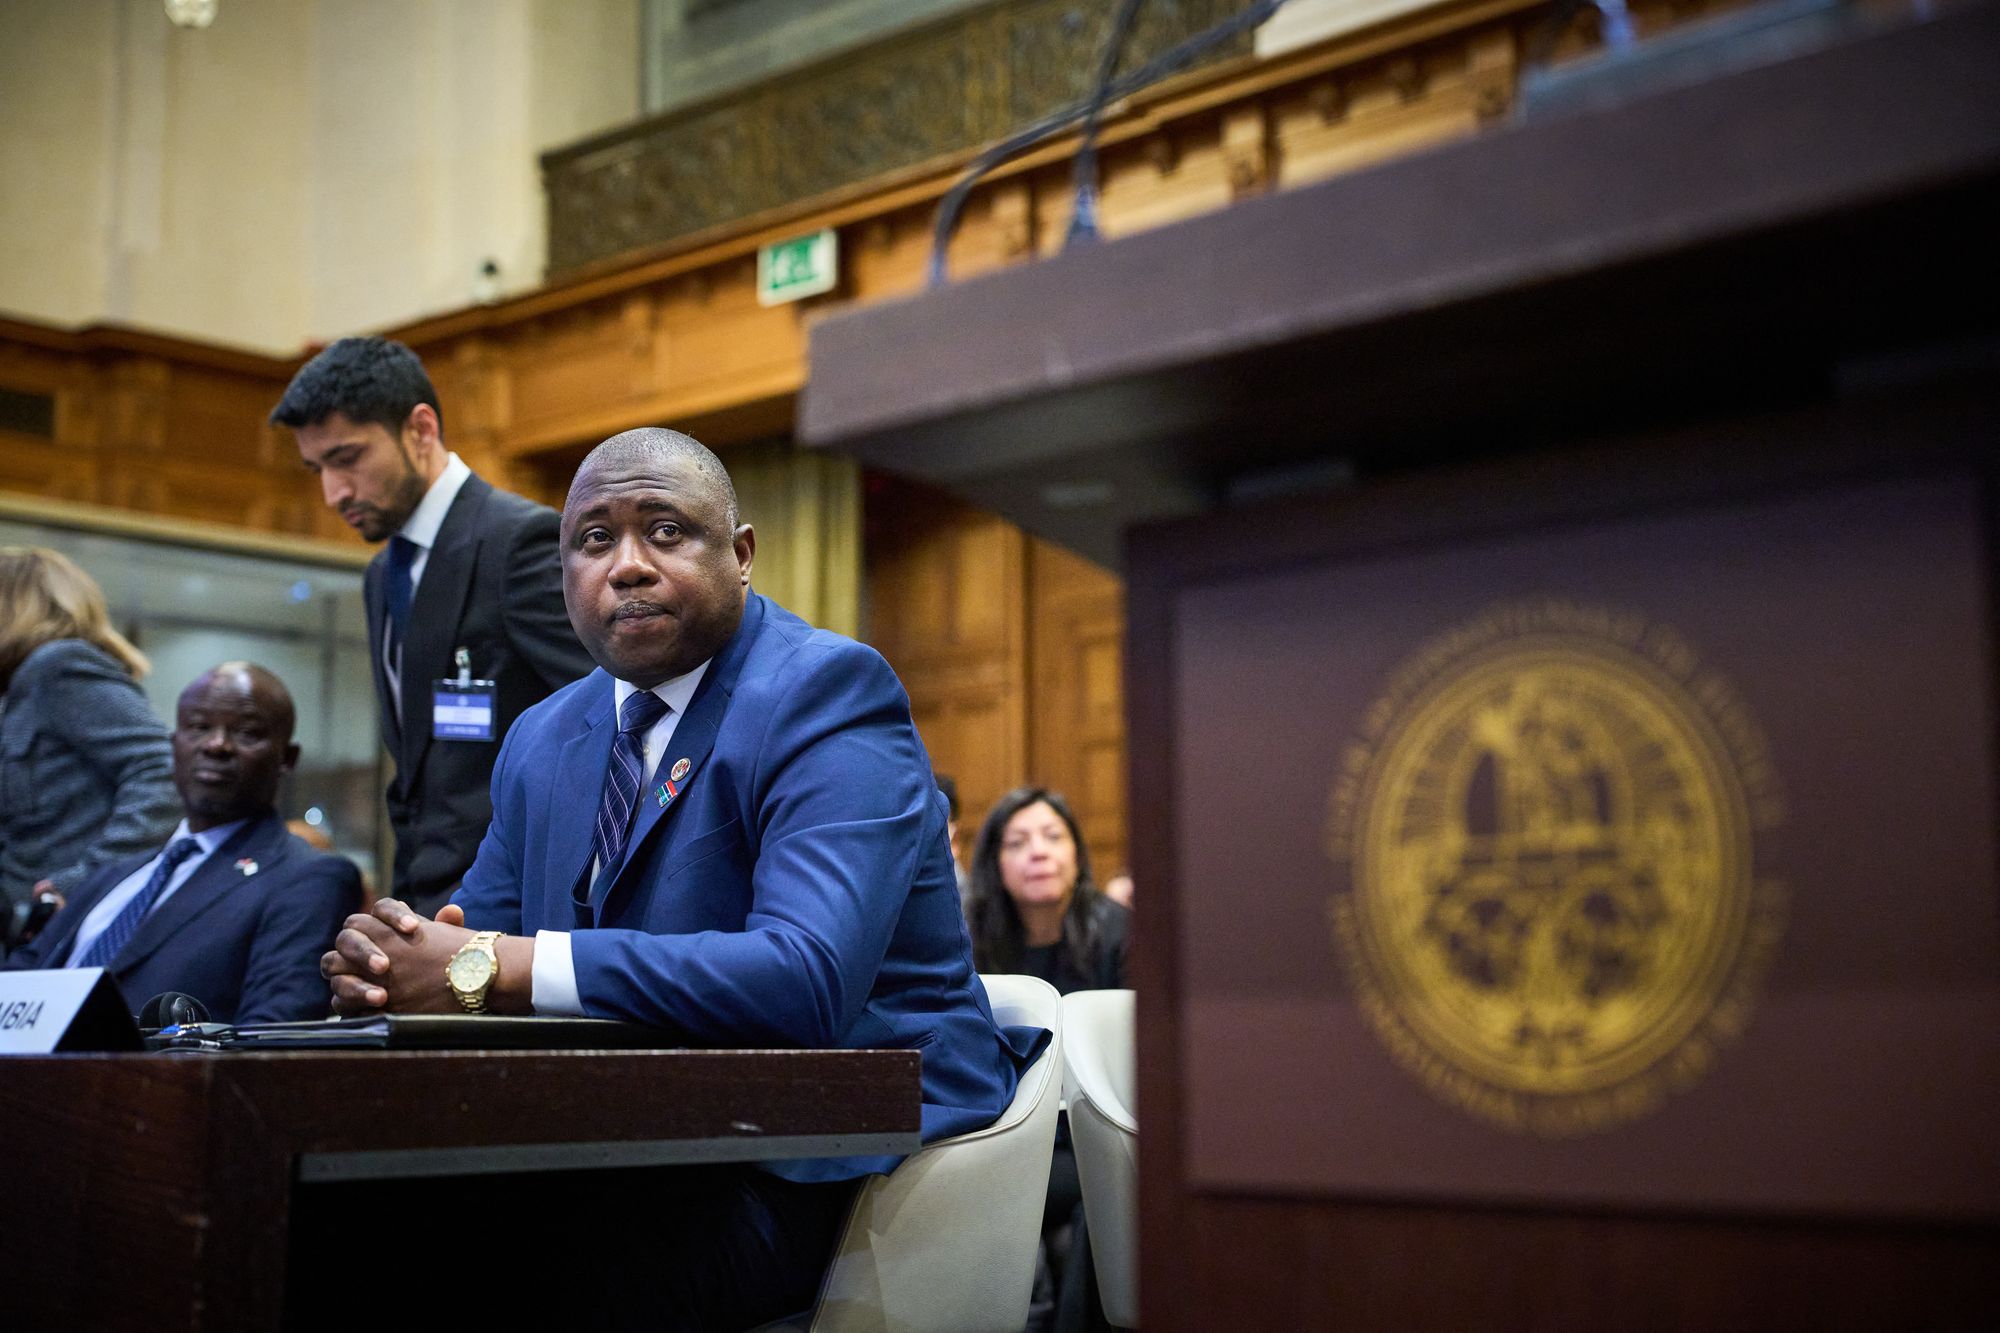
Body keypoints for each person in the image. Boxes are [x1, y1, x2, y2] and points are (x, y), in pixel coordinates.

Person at [321, 427, 1041, 1330]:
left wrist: (489, 967)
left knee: (475, 1270)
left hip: (827, 1153)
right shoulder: (544, 736)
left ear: (739, 555)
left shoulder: (828, 694)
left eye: (665, 531)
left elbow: (804, 977)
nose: (627, 566)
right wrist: (395, 966)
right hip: (636, 1140)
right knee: (328, 1222)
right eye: (595, 539)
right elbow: (471, 941)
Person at [270, 336, 594, 919]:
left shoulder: (518, 541)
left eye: (347, 459)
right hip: (424, 904)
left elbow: (606, 720)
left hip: (520, 911)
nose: (332, 492)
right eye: (318, 468)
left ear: (421, 430)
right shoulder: (380, 575)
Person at [6, 662, 361, 1024]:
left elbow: (269, 1039)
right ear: (174, 745)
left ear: (287, 758)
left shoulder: (308, 879)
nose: (216, 745)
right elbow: (18, 981)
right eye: (199, 727)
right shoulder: (113, 877)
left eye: (247, 733)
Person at [967, 785, 1130, 1333]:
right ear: (995, 863)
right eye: (1018, 842)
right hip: (1009, 1137)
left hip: (1088, 1140)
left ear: (1077, 853)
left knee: (1102, 1192)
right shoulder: (970, 941)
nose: (1038, 851)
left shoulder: (1120, 934)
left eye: (1053, 837)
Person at [0, 546, 178, 931]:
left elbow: (163, 773)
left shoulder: (57, 667)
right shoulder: (19, 688)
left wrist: (88, 881)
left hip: (66, 931)